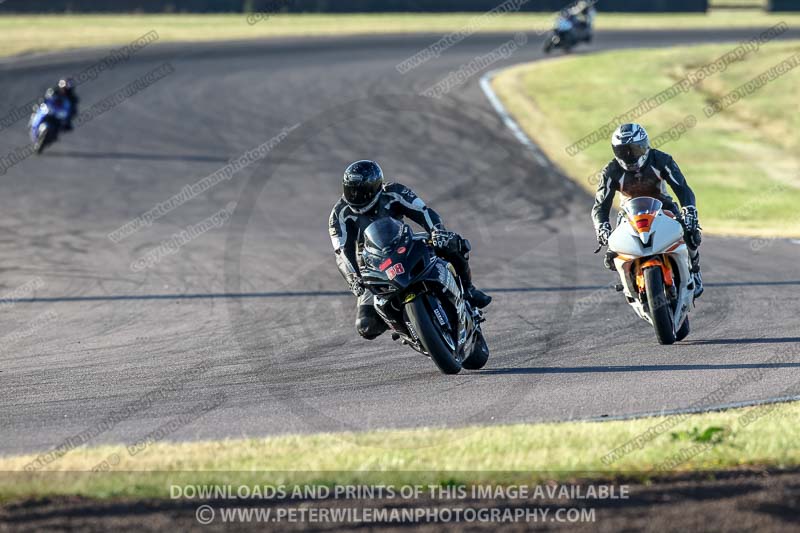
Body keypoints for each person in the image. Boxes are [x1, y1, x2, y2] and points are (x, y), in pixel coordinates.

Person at [329, 160, 492, 340]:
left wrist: (437, 232)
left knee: (452, 244)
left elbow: (424, 212)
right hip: (371, 266)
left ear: (376, 186)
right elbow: (341, 252)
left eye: (361, 191)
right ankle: (406, 326)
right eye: (350, 190)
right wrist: (353, 277)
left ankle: (468, 289)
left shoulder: (394, 191)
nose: (355, 196)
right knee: (366, 327)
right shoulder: (339, 214)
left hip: (404, 245)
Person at [591, 123, 703, 299]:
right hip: (629, 213)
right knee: (612, 253)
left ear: (644, 146)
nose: (629, 156)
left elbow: (682, 188)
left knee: (691, 232)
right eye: (623, 151)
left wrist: (689, 210)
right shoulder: (610, 171)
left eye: (634, 149)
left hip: (663, 205)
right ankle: (629, 283)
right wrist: (602, 228)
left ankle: (695, 270)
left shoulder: (661, 160)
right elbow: (600, 206)